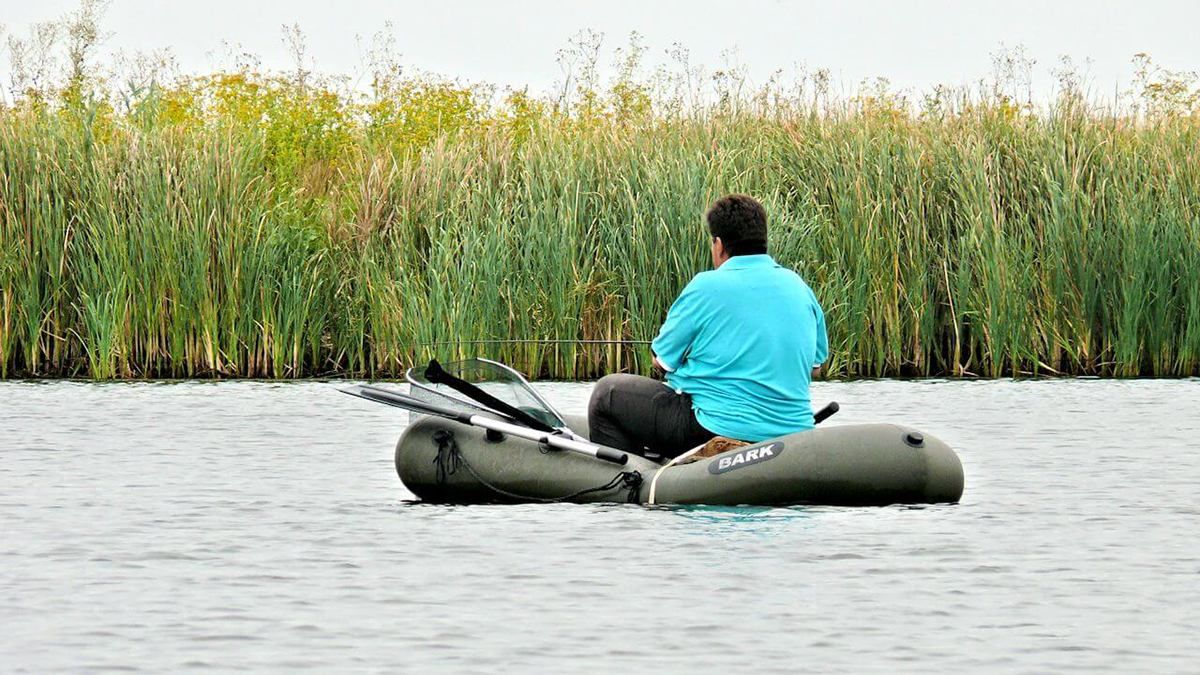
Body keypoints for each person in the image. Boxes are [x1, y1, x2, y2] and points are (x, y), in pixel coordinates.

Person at [588, 194, 829, 458]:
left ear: (719, 244)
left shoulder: (706, 286)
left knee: (606, 394)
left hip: (713, 428)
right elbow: (816, 368)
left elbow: (661, 361)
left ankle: (628, 483)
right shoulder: (799, 287)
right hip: (792, 432)